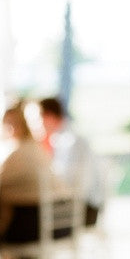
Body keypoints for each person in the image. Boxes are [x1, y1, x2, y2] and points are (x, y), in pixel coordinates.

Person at [37, 96, 105, 225]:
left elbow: (68, 184)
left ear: (49, 116)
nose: (35, 125)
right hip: (82, 206)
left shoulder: (69, 141)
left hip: (84, 210)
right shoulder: (64, 138)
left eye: (37, 119)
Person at [0, 104, 54, 244]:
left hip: (34, 221)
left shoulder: (19, 153)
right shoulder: (35, 148)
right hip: (51, 217)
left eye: (10, 124)